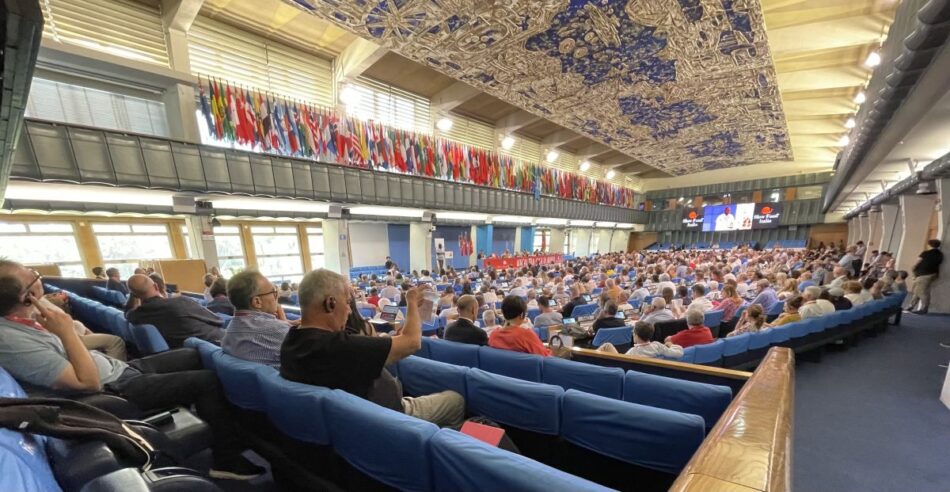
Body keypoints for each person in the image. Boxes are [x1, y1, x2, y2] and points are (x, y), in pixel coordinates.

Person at [0, 260, 262, 480]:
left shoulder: (23, 321)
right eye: (33, 276)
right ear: (27, 297)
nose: (38, 276)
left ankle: (231, 431)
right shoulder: (10, 341)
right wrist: (67, 330)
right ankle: (226, 459)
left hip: (120, 369)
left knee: (194, 354)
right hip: (116, 388)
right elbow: (87, 383)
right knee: (207, 380)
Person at [281, 269, 464, 427]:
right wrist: (412, 303)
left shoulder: (290, 341)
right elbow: (412, 342)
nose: (350, 310)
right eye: (347, 303)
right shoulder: (339, 347)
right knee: (456, 400)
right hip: (388, 417)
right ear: (331, 303)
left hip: (355, 420)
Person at [126, 274, 224, 349]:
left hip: (184, 352)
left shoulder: (136, 316)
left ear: (135, 296)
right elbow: (218, 321)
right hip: (215, 343)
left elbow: (128, 312)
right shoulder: (182, 302)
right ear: (156, 286)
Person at [221, 270, 294, 368]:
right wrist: (285, 325)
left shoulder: (230, 328)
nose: (277, 297)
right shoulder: (277, 330)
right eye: (274, 292)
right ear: (257, 301)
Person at [598, 321, 684, 359]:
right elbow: (679, 353)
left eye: (634, 333)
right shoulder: (657, 346)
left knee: (607, 346)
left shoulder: (633, 351)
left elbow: (623, 362)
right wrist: (671, 345)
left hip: (622, 363)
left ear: (637, 336)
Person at [907, 239, 943, 314]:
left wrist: (913, 270)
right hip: (933, 273)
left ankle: (924, 308)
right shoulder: (940, 254)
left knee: (923, 292)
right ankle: (911, 306)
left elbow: (917, 262)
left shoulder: (926, 253)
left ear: (929, 245)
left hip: (923, 274)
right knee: (918, 290)